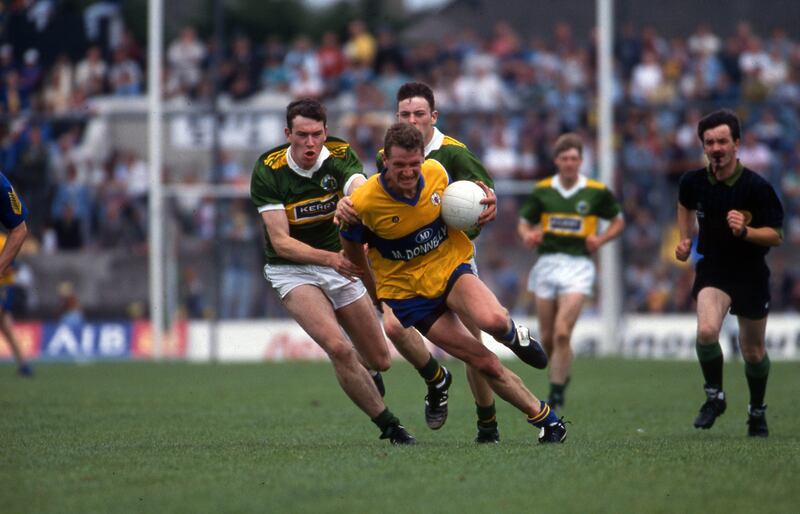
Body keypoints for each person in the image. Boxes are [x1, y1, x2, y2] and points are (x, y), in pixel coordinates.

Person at [340, 122, 566, 444]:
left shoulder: (437, 173)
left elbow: (467, 201)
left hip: (449, 269)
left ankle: (513, 334)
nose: (408, 172)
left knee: (493, 321)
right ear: (384, 161)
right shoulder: (363, 204)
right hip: (411, 297)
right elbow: (355, 258)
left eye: (414, 164)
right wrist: (378, 297)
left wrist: (485, 202)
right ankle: (548, 421)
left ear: (423, 158)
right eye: (399, 165)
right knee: (484, 362)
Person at [337, 82, 503, 443]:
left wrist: (480, 215)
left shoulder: (453, 153)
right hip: (407, 270)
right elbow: (375, 201)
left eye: (419, 114)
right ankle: (436, 379)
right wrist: (346, 205)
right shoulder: (388, 155)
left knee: (474, 344)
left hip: (452, 261)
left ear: (434, 117)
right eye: (405, 114)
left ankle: (487, 423)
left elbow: (486, 197)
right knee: (394, 327)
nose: (412, 120)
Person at [250, 98, 414, 445]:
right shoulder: (268, 169)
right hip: (293, 270)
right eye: (301, 135)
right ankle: (391, 427)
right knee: (338, 347)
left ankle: (365, 372)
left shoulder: (339, 154)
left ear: (326, 132)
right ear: (288, 134)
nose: (310, 143)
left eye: (316, 134)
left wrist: (354, 202)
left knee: (380, 360)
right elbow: (281, 243)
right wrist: (330, 259)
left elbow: (358, 185)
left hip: (338, 261)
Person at [675, 109, 783, 437]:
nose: (716, 148)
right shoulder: (693, 181)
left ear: (737, 144)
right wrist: (685, 238)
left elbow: (776, 235)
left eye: (722, 141)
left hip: (750, 272)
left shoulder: (756, 187)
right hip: (714, 267)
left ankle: (757, 411)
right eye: (710, 142)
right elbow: (684, 204)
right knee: (707, 331)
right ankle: (715, 397)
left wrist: (746, 232)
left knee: (753, 352)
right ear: (703, 147)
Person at [517, 133, 624, 409]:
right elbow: (524, 222)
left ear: (581, 161)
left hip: (578, 266)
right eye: (564, 158)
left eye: (574, 158)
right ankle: (562, 368)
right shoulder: (543, 190)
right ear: (556, 161)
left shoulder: (595, 191)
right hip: (547, 264)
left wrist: (601, 239)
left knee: (563, 332)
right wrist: (528, 235)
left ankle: (556, 393)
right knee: (548, 337)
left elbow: (618, 221)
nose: (569, 163)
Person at [0, 171, 32, 377]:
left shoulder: (2, 241)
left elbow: (13, 266)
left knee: (6, 325)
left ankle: (24, 363)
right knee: (6, 326)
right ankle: (24, 364)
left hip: (3, 286)